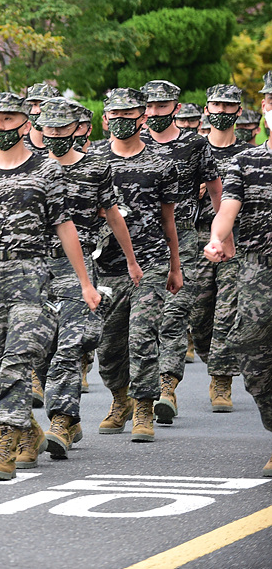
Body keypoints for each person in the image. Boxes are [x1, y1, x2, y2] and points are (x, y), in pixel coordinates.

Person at [0, 91, 99, 480]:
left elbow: (65, 227)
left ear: (26, 123)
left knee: (18, 357)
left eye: (9, 119)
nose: (0, 127)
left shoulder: (48, 171)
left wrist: (84, 281)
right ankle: (28, 429)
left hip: (33, 276)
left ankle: (5, 441)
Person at [36, 97, 138, 458]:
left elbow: (113, 215)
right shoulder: (31, 169)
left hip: (77, 268)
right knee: (42, 351)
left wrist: (130, 260)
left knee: (70, 346)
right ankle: (71, 419)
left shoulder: (95, 168)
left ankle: (62, 420)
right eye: (48, 129)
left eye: (61, 128)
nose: (54, 135)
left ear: (77, 129)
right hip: (35, 268)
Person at [93, 87, 182, 443]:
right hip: (108, 268)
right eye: (114, 116)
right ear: (105, 119)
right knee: (108, 347)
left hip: (152, 263)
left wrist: (175, 266)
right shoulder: (94, 161)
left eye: (128, 116)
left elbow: (169, 221)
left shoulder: (162, 164)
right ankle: (120, 400)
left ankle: (144, 407)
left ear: (141, 118)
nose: (120, 122)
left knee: (143, 336)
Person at [138, 80, 220, 425]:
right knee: (140, 324)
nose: (155, 113)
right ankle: (130, 393)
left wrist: (220, 232)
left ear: (175, 107)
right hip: (140, 241)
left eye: (162, 106)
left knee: (174, 314)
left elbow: (215, 186)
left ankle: (166, 386)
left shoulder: (194, 144)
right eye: (150, 107)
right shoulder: (133, 145)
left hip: (183, 237)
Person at [203, 116, 272, 477]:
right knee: (252, 354)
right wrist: (217, 238)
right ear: (264, 107)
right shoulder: (245, 161)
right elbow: (226, 209)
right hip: (257, 269)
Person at [190, 85, 250, 413]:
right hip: (197, 237)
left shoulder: (247, 155)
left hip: (237, 240)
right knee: (199, 314)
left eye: (229, 106)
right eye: (216, 105)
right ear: (207, 108)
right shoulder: (194, 150)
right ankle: (209, 354)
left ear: (239, 112)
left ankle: (221, 380)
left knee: (227, 309)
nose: (222, 111)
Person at [23, 83, 60, 154]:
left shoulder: (64, 144)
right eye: (34, 105)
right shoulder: (18, 145)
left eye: (44, 105)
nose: (38, 110)